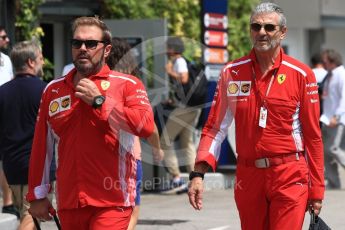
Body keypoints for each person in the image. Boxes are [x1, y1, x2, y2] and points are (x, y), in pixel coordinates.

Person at [188, 3, 324, 230]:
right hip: (248, 176)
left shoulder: (302, 74)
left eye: (269, 27)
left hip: (290, 174)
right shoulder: (231, 72)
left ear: (282, 32)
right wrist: (198, 173)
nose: (262, 32)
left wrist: (317, 189)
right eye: (256, 26)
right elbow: (214, 127)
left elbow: (313, 136)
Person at [26, 16, 155, 230]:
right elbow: (42, 147)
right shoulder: (53, 90)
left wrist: (100, 102)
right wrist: (37, 194)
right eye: (77, 43)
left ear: (106, 50)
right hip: (70, 202)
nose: (83, 48)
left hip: (112, 202)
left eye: (91, 43)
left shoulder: (128, 84)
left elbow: (145, 126)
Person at [107, 37, 164, 230]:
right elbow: (149, 125)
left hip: (99, 157)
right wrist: (157, 148)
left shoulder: (95, 83)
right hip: (128, 157)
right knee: (130, 210)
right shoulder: (131, 84)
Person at [0, 40, 56, 230]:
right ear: (31, 62)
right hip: (40, 168)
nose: (43, 62)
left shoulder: (2, 92)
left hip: (12, 167)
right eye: (41, 58)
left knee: (29, 216)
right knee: (30, 216)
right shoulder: (46, 91)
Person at [159, 36, 201, 194]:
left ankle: (176, 179)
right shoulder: (182, 61)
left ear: (173, 49)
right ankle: (194, 179)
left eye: (168, 47)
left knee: (164, 141)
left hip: (184, 109)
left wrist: (170, 72)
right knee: (186, 144)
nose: (166, 50)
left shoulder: (179, 61)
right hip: (191, 107)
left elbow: (184, 79)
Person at [320, 49, 345, 189]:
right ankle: (334, 182)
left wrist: (337, 116)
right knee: (325, 152)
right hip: (326, 118)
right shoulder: (329, 75)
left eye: (325, 61)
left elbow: (344, 98)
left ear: (333, 61)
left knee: (333, 148)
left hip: (337, 119)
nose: (323, 64)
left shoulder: (341, 74)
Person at [0, 25, 17, 218]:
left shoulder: (6, 60)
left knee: (4, 157)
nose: (7, 40)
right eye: (3, 37)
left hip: (6, 111)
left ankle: (7, 201)